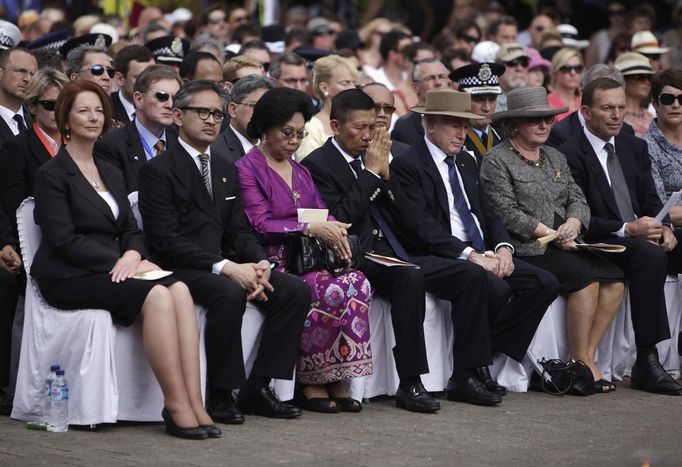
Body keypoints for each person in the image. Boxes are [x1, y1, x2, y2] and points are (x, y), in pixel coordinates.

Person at [30, 80, 218, 439]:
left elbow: (131, 227)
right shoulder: (52, 174)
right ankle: (175, 404)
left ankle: (195, 400)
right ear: (65, 119)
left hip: (117, 266)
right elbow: (64, 240)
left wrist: (133, 253)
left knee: (178, 289)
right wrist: (122, 262)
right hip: (69, 274)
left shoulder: (109, 169)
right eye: (83, 110)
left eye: (99, 110)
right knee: (159, 294)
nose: (93, 117)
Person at [302, 89, 505, 409]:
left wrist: (385, 176)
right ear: (336, 127)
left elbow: (406, 217)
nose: (368, 135)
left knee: (470, 275)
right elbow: (338, 220)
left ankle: (465, 374)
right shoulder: (317, 164)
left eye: (372, 127)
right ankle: (410, 381)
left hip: (397, 250)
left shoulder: (381, 156)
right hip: (356, 256)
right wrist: (370, 175)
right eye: (359, 128)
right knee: (408, 278)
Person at [138, 80, 310, 422]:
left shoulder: (226, 168)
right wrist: (226, 267)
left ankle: (258, 386)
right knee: (228, 292)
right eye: (201, 112)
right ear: (177, 115)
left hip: (222, 263)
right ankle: (220, 392)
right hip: (177, 267)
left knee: (294, 290)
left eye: (217, 113)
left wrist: (260, 263)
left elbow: (239, 230)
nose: (210, 120)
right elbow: (166, 240)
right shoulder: (157, 170)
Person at [391, 89, 558, 394]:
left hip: (479, 250)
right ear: (430, 125)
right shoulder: (408, 164)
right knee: (487, 283)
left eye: (465, 126)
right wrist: (469, 254)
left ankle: (486, 350)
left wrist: (504, 248)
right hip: (436, 254)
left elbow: (488, 212)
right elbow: (420, 227)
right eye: (454, 125)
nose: (462, 133)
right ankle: (466, 373)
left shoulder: (466, 161)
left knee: (543, 282)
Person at [480, 86, 626, 393]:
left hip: (566, 239)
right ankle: (584, 363)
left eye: (547, 118)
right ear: (513, 125)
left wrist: (574, 223)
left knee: (615, 279)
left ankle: (582, 357)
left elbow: (577, 198)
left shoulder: (555, 156)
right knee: (586, 278)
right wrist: (551, 234)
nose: (544, 125)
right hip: (528, 246)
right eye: (535, 120)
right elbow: (504, 212)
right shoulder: (497, 160)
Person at [235, 87, 373, 413]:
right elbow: (259, 223)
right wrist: (308, 227)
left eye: (300, 134)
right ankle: (312, 379)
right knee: (322, 287)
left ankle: (336, 374)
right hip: (273, 258)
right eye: (287, 133)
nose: (294, 141)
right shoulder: (247, 168)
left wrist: (333, 227)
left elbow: (321, 213)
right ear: (265, 128)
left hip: (308, 257)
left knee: (356, 282)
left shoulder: (301, 171)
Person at [559, 77, 682, 395]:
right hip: (599, 241)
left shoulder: (633, 145)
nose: (616, 115)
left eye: (620, 108)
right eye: (607, 108)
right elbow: (581, 217)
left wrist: (664, 227)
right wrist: (628, 229)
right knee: (649, 255)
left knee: (665, 245)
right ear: (586, 111)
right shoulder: (570, 153)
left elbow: (651, 200)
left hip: (640, 234)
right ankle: (647, 358)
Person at [94, 65, 181, 193]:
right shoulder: (111, 145)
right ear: (139, 99)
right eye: (162, 97)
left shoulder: (182, 139)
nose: (170, 105)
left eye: (176, 98)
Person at [547, 65, 634, 149]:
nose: (616, 115)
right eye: (607, 107)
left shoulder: (626, 131)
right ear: (582, 93)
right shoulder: (559, 134)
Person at [295, 55, 357, 160]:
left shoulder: (361, 123)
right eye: (345, 83)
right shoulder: (310, 128)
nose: (353, 88)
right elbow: (311, 168)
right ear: (324, 87)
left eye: (353, 83)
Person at [450, 62, 506, 166]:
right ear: (462, 99)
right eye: (479, 100)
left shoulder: (504, 135)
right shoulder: (451, 138)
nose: (487, 108)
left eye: (492, 99)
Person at [645, 69, 682, 225]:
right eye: (668, 99)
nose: (676, 105)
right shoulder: (645, 146)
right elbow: (659, 210)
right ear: (654, 103)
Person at [211, 75, 274, 163]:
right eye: (254, 105)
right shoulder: (214, 151)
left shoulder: (276, 148)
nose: (263, 112)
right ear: (233, 109)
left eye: (267, 107)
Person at [391, 58, 451, 146]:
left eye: (442, 77)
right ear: (416, 87)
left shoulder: (463, 119)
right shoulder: (405, 128)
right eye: (430, 78)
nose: (438, 82)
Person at [111, 45, 154, 125]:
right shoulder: (107, 109)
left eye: (153, 77)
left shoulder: (165, 107)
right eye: (140, 77)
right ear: (120, 79)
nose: (148, 83)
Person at [614, 52, 654, 137]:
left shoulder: (652, 118)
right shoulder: (614, 115)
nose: (646, 82)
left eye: (649, 78)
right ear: (623, 80)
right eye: (640, 76)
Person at [547, 48, 584, 122]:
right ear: (555, 73)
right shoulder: (547, 103)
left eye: (577, 68)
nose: (573, 73)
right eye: (566, 68)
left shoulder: (584, 102)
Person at [495, 43, 529, 113]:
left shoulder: (533, 98)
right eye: (512, 63)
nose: (519, 68)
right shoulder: (490, 102)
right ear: (497, 68)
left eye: (524, 63)